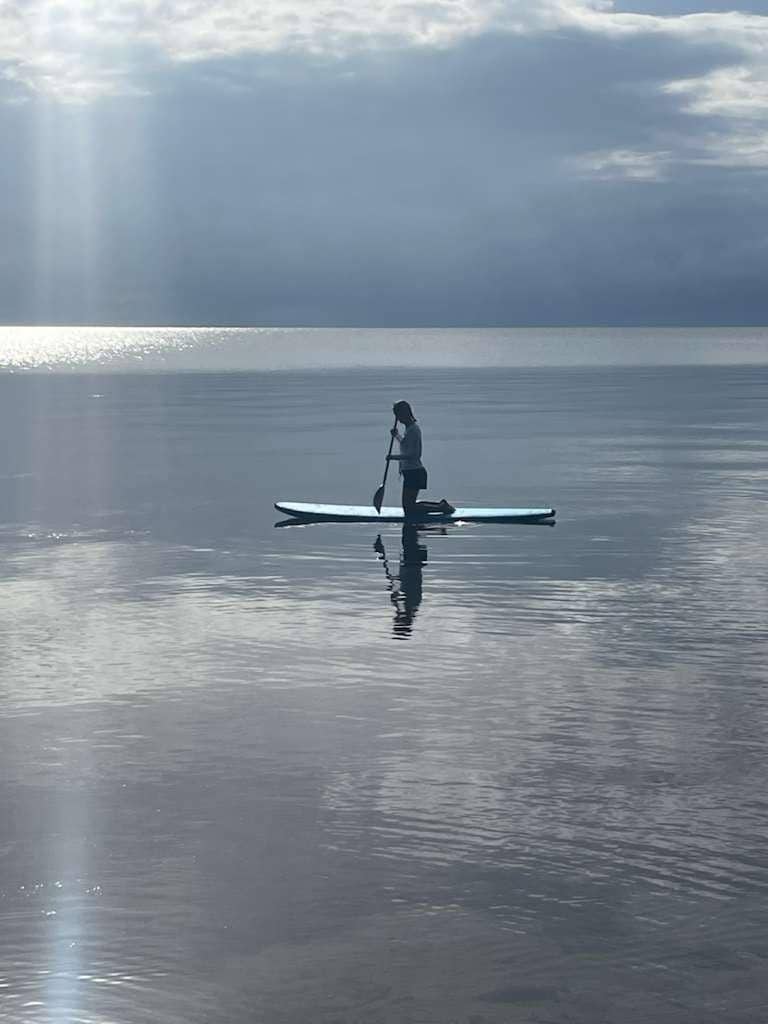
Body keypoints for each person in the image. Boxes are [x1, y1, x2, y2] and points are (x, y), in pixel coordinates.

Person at [386, 400, 454, 516]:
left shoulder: (413, 430)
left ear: (405, 414)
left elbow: (415, 455)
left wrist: (393, 457)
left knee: (409, 508)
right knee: (410, 506)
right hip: (411, 472)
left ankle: (442, 508)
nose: (397, 419)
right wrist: (397, 435)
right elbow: (406, 446)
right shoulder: (409, 429)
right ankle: (440, 505)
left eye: (398, 415)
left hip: (415, 472)